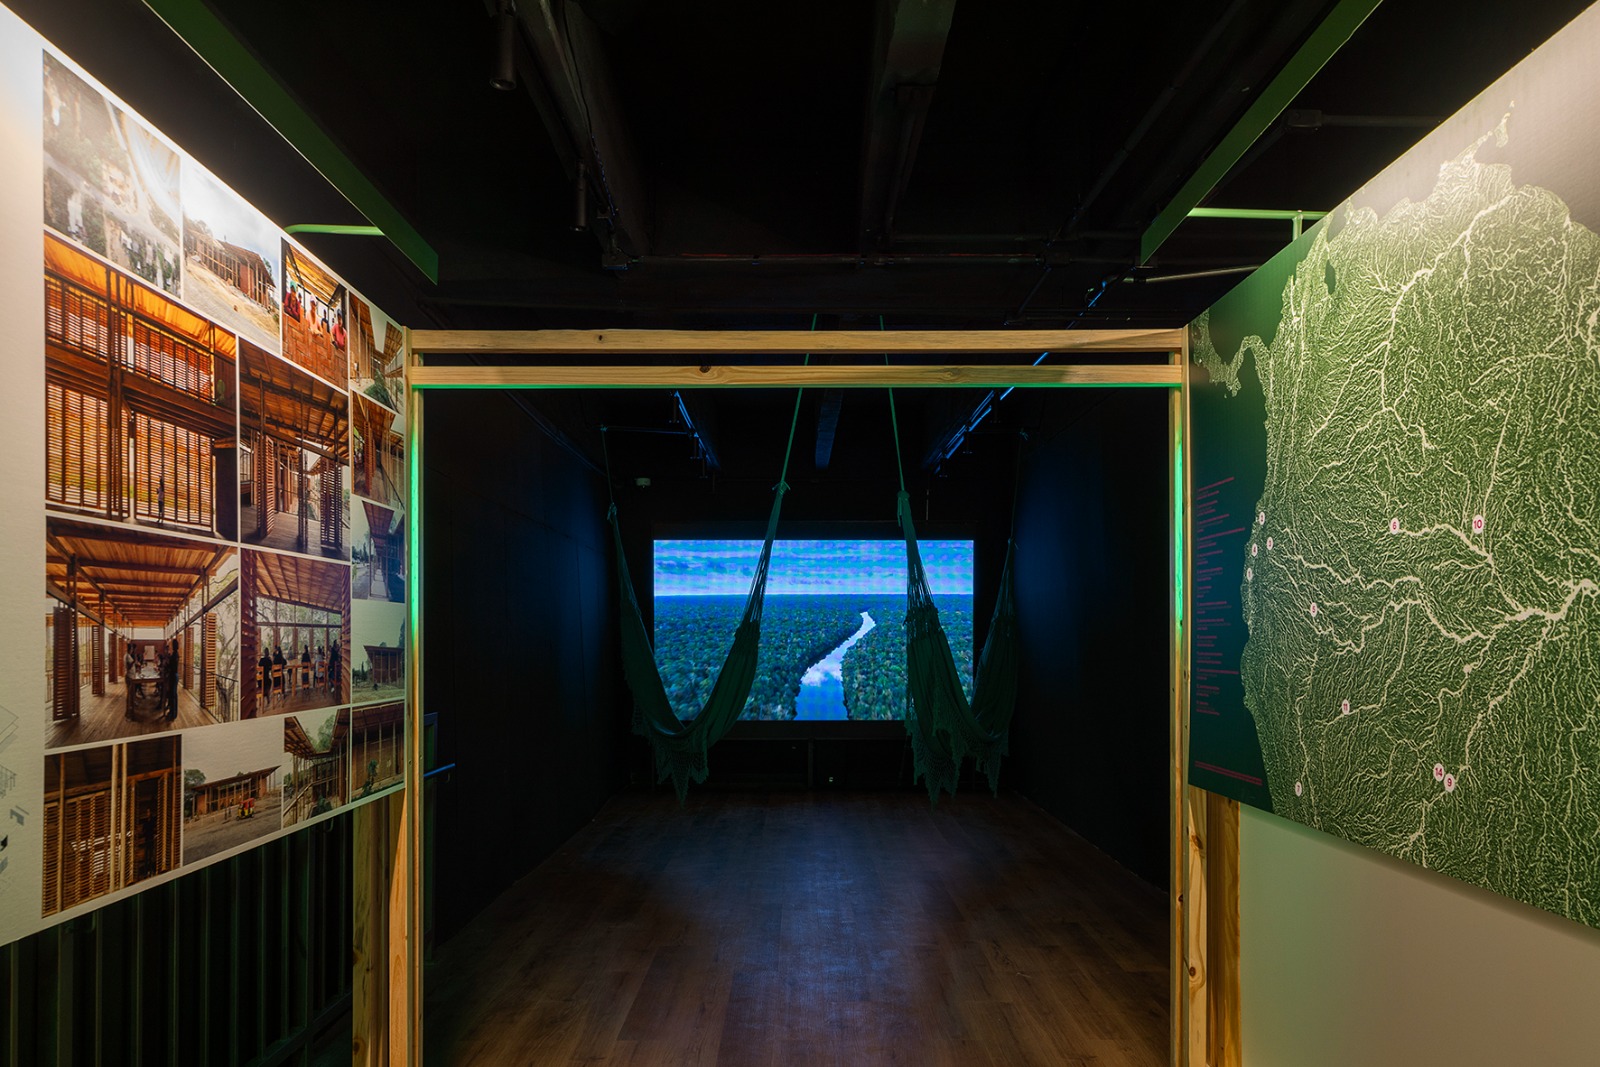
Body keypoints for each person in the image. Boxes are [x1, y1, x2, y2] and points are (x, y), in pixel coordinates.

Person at [164, 637, 179, 721]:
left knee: (173, 696)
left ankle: (173, 715)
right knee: (173, 695)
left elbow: (171, 666)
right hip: (174, 675)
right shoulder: (175, 654)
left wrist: (167, 663)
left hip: (173, 675)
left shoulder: (174, 655)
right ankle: (172, 713)